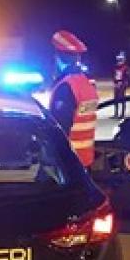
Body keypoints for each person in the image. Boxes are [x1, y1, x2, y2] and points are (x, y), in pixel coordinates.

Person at [49, 30, 99, 168]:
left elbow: (60, 129)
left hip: (68, 160)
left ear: (58, 57)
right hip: (86, 158)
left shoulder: (66, 87)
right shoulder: (87, 83)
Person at [113, 51, 130, 119]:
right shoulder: (116, 67)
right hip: (116, 85)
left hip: (122, 85)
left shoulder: (125, 68)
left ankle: (122, 114)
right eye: (118, 60)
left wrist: (123, 83)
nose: (119, 61)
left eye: (120, 60)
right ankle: (116, 114)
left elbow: (127, 77)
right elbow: (114, 76)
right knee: (116, 100)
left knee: (122, 99)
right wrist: (115, 83)